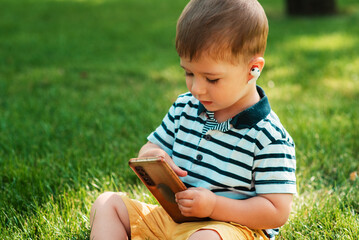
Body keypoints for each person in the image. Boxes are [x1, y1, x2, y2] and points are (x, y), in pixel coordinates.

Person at [90, 0, 296, 239]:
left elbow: (276, 211)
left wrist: (214, 206)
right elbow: (151, 147)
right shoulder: (184, 107)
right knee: (107, 203)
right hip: (172, 220)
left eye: (212, 79)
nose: (197, 89)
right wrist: (152, 156)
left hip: (230, 229)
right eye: (189, 73)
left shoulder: (268, 136)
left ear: (253, 69)